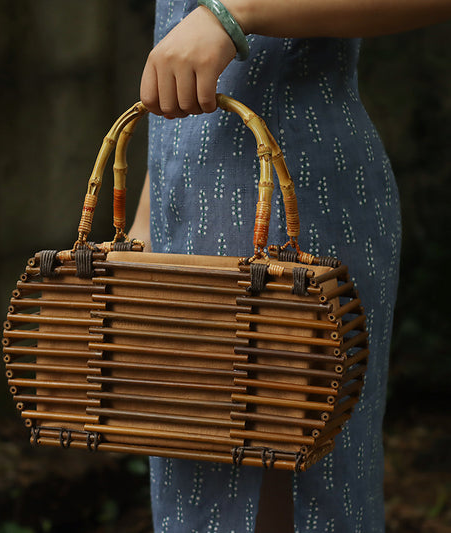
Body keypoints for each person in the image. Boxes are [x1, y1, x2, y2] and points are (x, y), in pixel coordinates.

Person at [129, 1, 451, 531]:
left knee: (284, 489)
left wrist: (235, 14)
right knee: (194, 486)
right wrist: (146, 217)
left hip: (294, 214)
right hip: (182, 211)